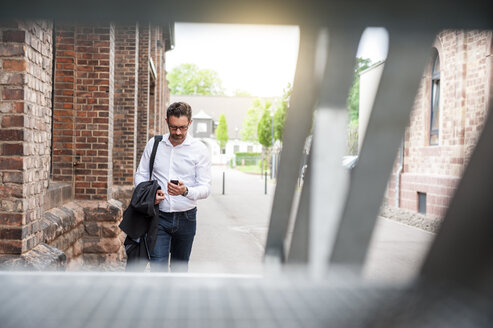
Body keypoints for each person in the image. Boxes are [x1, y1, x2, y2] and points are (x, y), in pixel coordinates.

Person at [134, 102, 211, 272]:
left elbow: (206, 187)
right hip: (158, 217)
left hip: (187, 218)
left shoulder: (199, 149)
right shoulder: (154, 144)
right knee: (158, 269)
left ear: (190, 123)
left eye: (182, 128)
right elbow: (140, 174)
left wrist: (186, 191)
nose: (177, 132)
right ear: (166, 121)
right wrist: (149, 195)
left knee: (179, 271)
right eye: (173, 127)